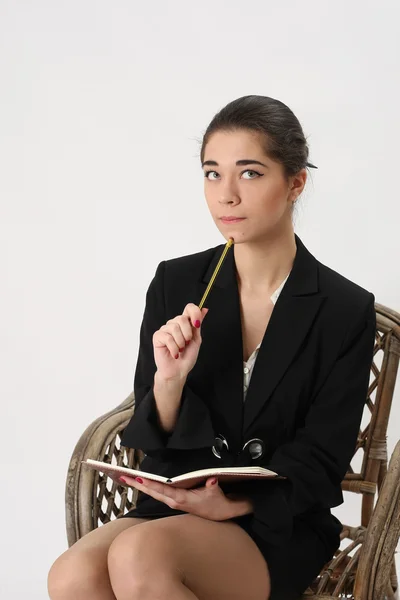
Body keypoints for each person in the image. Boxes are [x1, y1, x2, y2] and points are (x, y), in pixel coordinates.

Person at [48, 95, 376, 600]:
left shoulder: (343, 308)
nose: (225, 195)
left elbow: (323, 458)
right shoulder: (176, 282)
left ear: (295, 183)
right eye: (211, 173)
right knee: (71, 575)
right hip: (177, 504)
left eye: (249, 174)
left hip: (274, 522)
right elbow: (150, 438)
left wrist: (237, 504)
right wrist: (169, 382)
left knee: (140, 556)